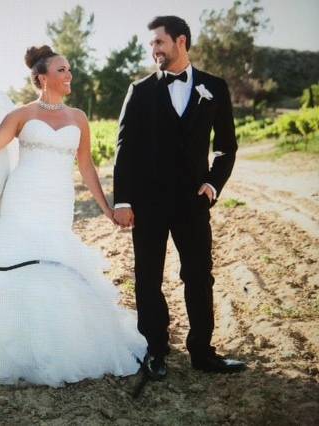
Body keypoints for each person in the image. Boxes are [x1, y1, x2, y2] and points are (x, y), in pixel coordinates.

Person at [0, 45, 147, 387]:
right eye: (62, 70)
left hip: (58, 201)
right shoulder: (21, 114)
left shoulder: (78, 118)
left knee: (55, 263)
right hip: (23, 198)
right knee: (21, 264)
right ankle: (16, 350)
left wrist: (108, 208)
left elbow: (86, 166)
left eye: (69, 70)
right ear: (42, 78)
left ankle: (59, 343)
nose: (69, 75)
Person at [113, 16, 246, 379]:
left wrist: (213, 184)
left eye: (159, 42)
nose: (154, 50)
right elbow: (124, 149)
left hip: (192, 202)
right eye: (152, 44)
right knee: (148, 278)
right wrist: (122, 200)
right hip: (148, 203)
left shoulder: (214, 87)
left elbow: (226, 147)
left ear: (181, 41)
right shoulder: (139, 91)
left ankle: (203, 351)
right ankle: (156, 350)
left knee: (200, 275)